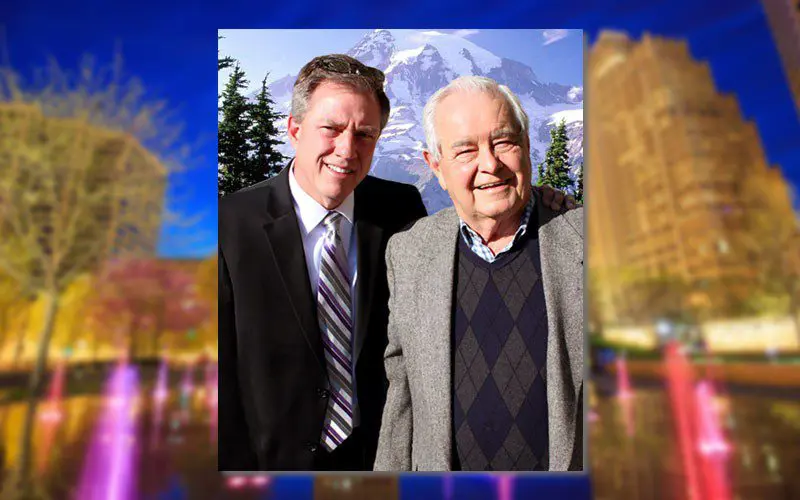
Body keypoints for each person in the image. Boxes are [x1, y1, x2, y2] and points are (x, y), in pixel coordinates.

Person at [219, 56, 572, 472]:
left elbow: (472, 219)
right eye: (331, 129)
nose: (347, 149)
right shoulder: (227, 226)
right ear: (295, 129)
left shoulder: (398, 209)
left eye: (365, 134)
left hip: (377, 462)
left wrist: (539, 200)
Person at [374, 76, 584, 472]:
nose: (490, 164)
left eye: (503, 142)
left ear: (526, 145)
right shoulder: (409, 253)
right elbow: (402, 394)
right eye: (466, 150)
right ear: (435, 166)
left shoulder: (588, 240)